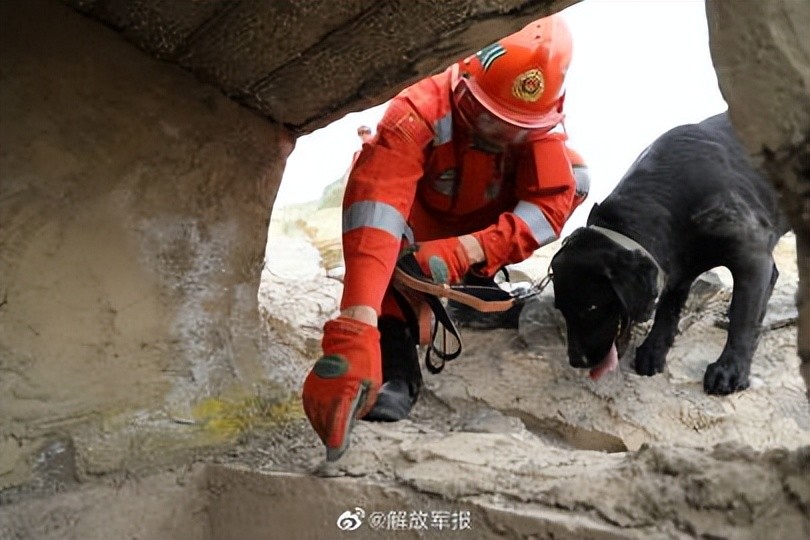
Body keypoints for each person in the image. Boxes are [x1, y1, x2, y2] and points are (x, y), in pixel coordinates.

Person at [302, 14, 590, 460]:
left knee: (577, 178)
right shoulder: (415, 112)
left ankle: (473, 281)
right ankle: (393, 347)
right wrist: (354, 329)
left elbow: (551, 202)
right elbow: (375, 210)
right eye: (486, 120)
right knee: (388, 253)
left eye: (513, 131)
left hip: (471, 236)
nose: (496, 139)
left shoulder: (539, 131)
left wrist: (469, 253)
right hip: (416, 222)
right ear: (461, 81)